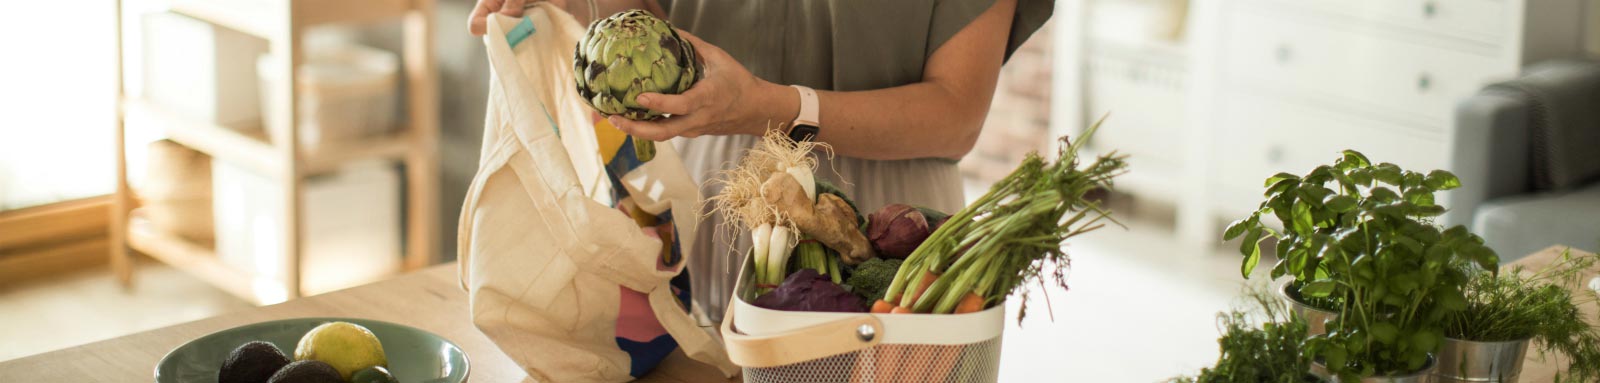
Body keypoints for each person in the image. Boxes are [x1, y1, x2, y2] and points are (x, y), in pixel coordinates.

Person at [470, 0, 1053, 323]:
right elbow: (641, 14)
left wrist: (769, 109)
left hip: (892, 228)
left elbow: (956, 116)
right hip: (708, 204)